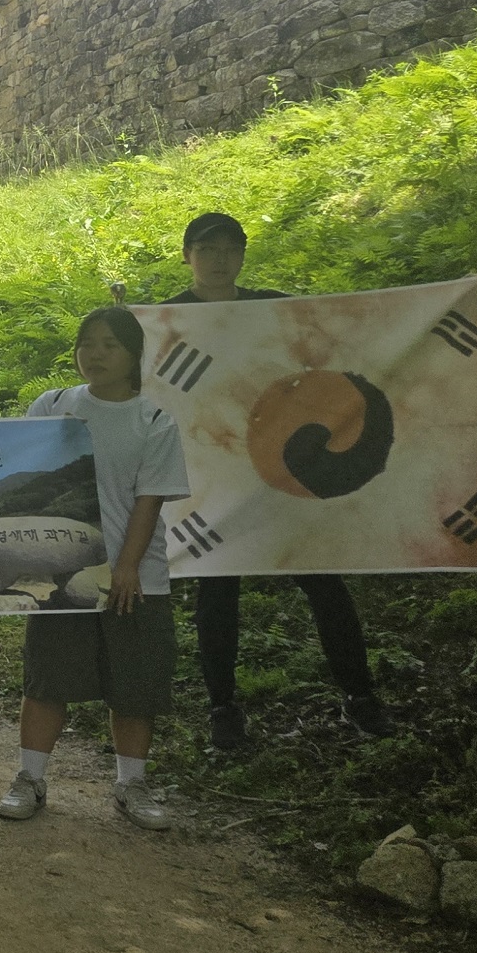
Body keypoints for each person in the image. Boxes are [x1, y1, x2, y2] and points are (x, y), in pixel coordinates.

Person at [166, 212, 395, 747]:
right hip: (215, 477)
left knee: (325, 583)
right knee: (217, 594)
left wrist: (462, 294)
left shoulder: (271, 307)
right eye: (207, 249)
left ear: (243, 256)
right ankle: (223, 709)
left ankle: (360, 696)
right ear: (187, 255)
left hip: (287, 472)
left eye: (230, 249)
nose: (219, 259)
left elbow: (344, 334)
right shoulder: (166, 319)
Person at [0, 307, 191, 831]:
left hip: (136, 577)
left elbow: (149, 499)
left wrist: (126, 566)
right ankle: (29, 779)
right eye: (87, 343)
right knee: (47, 679)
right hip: (63, 577)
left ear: (133, 355)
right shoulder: (52, 406)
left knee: (135, 685)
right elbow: (21, 472)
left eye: (110, 344)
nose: (96, 354)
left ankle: (132, 785)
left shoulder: (153, 420)